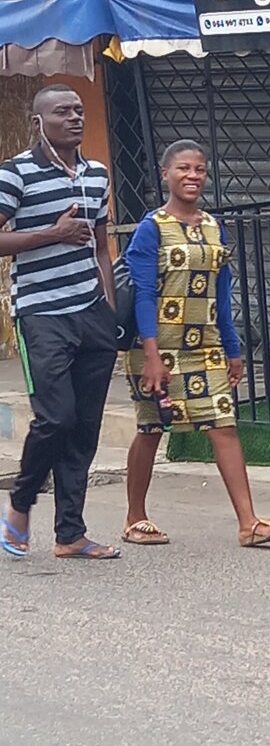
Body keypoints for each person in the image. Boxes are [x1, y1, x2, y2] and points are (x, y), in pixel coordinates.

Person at [123, 139, 270, 548]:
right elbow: (142, 293)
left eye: (199, 169)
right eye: (183, 169)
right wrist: (152, 355)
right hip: (157, 349)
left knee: (223, 425)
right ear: (165, 175)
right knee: (151, 429)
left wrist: (233, 350)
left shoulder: (214, 227)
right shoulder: (152, 228)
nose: (192, 176)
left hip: (206, 346)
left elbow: (222, 291)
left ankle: (249, 523)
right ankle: (134, 517)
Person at [0, 85, 119, 559]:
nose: (74, 117)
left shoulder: (97, 175)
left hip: (91, 312)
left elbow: (102, 248)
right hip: (41, 313)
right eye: (62, 111)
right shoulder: (15, 174)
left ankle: (70, 533)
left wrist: (108, 310)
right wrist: (52, 233)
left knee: (85, 427)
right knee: (55, 418)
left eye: (79, 110)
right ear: (37, 122)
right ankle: (21, 503)